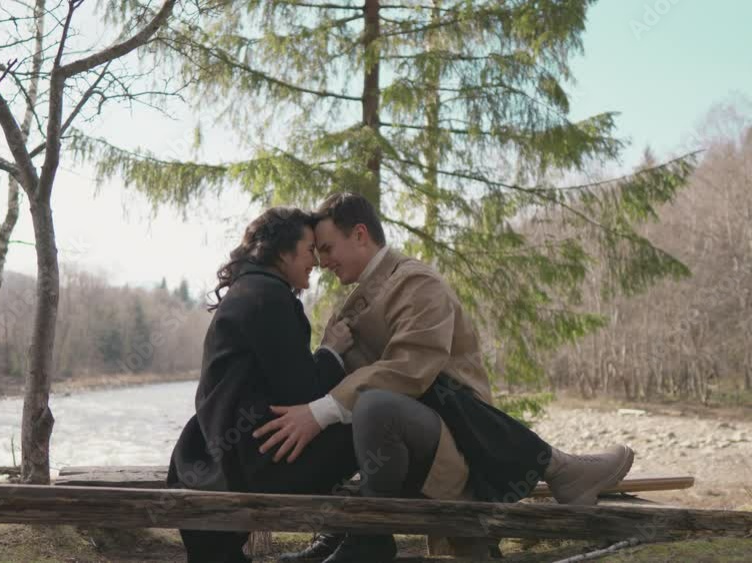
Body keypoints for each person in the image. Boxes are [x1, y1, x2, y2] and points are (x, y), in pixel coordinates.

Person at [256, 192, 636, 563]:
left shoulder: (417, 284)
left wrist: (320, 412)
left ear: (359, 234)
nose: (322, 262)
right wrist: (327, 355)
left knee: (373, 404)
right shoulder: (356, 302)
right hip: (407, 446)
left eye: (327, 248)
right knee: (361, 406)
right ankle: (351, 530)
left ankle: (368, 537)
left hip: (464, 444)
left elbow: (409, 370)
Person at [166, 207, 361, 563]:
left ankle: (342, 535)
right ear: (283, 252)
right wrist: (332, 350)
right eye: (309, 250)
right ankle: (358, 539)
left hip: (214, 455)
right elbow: (304, 394)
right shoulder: (270, 298)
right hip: (253, 465)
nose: (315, 261)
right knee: (370, 425)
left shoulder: (249, 289)